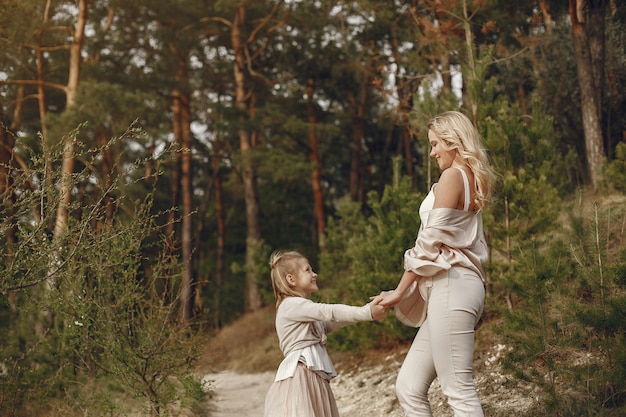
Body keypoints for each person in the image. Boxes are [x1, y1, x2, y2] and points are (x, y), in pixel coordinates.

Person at [371, 111, 495, 417]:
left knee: (458, 390)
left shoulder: (453, 176)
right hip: (455, 289)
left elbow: (429, 242)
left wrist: (399, 292)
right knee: (409, 386)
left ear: (453, 141)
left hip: (453, 285)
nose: (432, 152)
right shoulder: (466, 178)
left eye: (435, 143)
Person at [264, 250, 387, 417]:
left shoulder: (300, 308)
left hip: (311, 375)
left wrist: (367, 312)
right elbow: (330, 311)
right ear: (291, 279)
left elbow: (329, 323)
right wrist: (366, 312)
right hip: (301, 376)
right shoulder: (291, 305)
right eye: (308, 270)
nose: (315, 274)